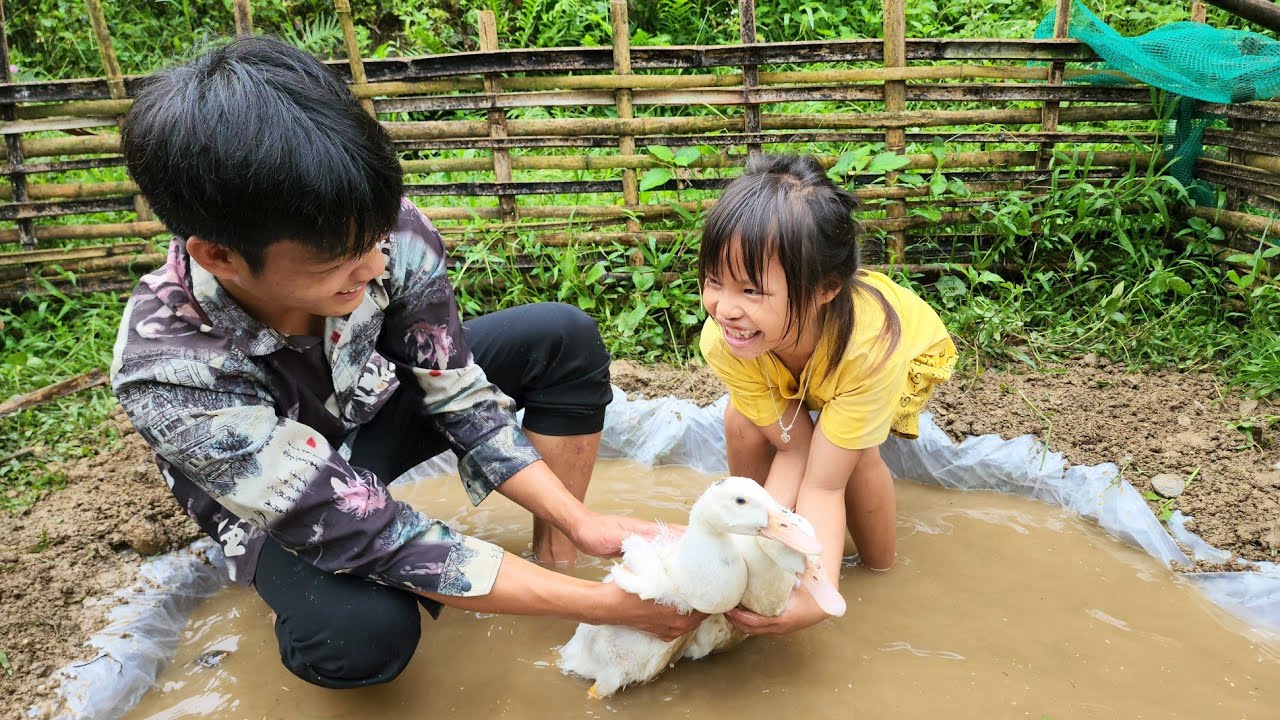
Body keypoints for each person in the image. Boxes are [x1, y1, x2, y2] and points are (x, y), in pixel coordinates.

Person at [109, 35, 702, 690]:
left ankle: (557, 558)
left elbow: (460, 397)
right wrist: (607, 608)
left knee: (560, 336)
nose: (375, 268)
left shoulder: (385, 233)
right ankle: (297, 590)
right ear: (219, 255)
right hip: (269, 497)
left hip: (367, 406)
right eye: (338, 261)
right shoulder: (169, 371)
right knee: (358, 636)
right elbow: (371, 532)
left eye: (374, 240)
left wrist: (580, 521)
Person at [697, 153, 956, 636]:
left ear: (824, 289)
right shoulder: (726, 341)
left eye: (752, 291)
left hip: (886, 355)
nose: (725, 308)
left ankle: (881, 567)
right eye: (715, 282)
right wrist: (757, 553)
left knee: (849, 457)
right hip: (786, 352)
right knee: (743, 421)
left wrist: (819, 592)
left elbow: (822, 484)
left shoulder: (872, 348)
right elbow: (792, 447)